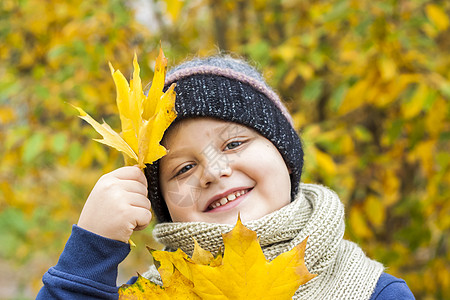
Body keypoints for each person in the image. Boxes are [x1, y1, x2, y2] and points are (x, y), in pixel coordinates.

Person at [37, 55, 415, 299]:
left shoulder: (374, 293)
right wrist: (88, 256)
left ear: (284, 154)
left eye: (234, 143)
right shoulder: (155, 295)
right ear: (161, 204)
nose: (215, 172)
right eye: (183, 168)